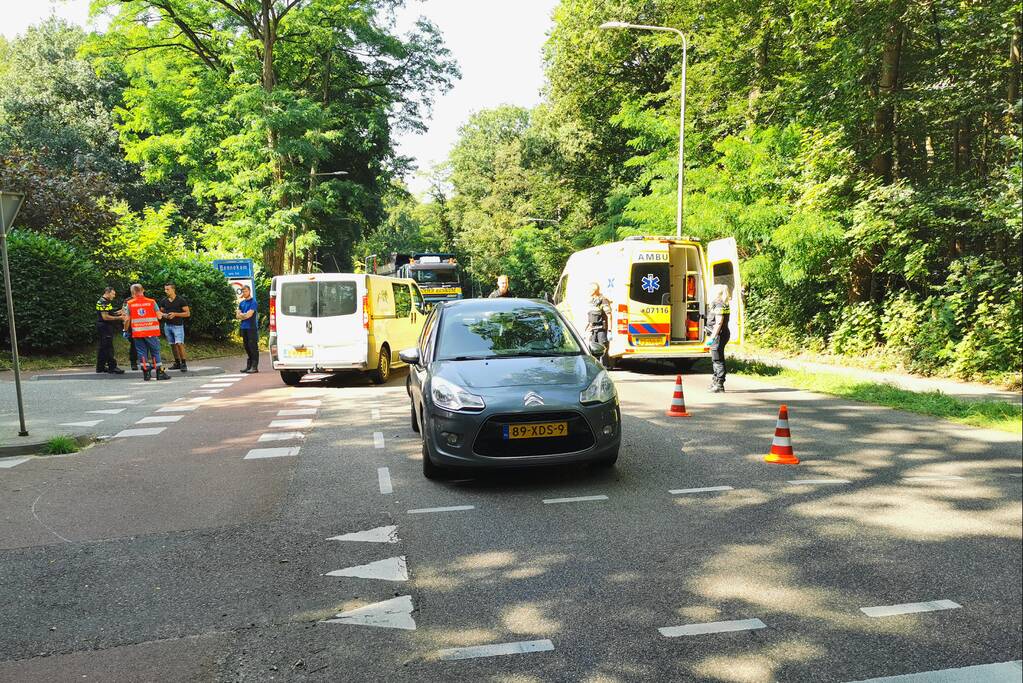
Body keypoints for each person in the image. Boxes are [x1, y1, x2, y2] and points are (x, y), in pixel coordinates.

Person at [126, 283, 170, 381]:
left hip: (137, 333)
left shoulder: (130, 303)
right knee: (155, 351)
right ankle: (160, 373)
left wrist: (125, 330)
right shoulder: (151, 302)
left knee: (141, 352)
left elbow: (127, 320)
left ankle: (146, 374)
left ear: (132, 292)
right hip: (151, 332)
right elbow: (159, 316)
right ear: (143, 290)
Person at [704, 284, 732, 392]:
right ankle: (715, 381)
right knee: (716, 358)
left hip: (718, 335)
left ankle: (719, 384)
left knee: (717, 359)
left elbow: (719, 322)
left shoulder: (719, 305)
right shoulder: (722, 304)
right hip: (721, 334)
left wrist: (712, 337)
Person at [158, 283, 191, 372]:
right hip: (167, 325)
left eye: (168, 289)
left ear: (173, 289)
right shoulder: (164, 301)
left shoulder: (181, 300)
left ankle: (183, 363)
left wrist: (175, 314)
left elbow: (187, 313)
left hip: (178, 326)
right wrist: (165, 315)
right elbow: (160, 312)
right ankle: (177, 363)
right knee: (172, 345)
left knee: (179, 344)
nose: (166, 291)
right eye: (165, 289)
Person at [95, 287, 125, 374]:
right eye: (113, 294)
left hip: (103, 326)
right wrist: (119, 318)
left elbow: (109, 313)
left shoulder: (105, 301)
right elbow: (105, 317)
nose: (114, 296)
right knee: (108, 347)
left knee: (103, 347)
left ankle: (100, 367)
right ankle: (112, 367)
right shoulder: (103, 302)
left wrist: (119, 312)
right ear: (107, 293)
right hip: (105, 327)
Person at [584, 282, 612, 366]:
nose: (588, 291)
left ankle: (606, 367)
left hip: (601, 330)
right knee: (593, 350)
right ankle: (595, 367)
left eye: (590, 290)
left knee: (603, 350)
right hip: (593, 330)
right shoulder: (592, 301)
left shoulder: (603, 300)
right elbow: (591, 316)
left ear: (595, 290)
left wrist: (609, 331)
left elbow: (609, 315)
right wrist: (586, 328)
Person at [236, 285, 259, 373]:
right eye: (243, 291)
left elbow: (249, 315)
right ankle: (249, 366)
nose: (244, 293)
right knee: (246, 347)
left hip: (251, 328)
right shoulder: (241, 303)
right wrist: (243, 315)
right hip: (243, 327)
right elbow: (237, 316)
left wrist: (242, 315)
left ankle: (254, 367)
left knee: (253, 347)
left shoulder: (253, 302)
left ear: (249, 291)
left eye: (246, 291)